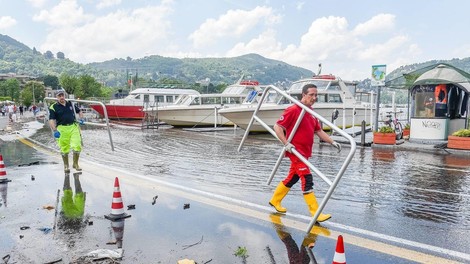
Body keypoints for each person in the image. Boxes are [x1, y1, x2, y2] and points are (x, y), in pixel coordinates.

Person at [269, 83, 342, 222]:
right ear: (303, 95)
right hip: (296, 152)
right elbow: (277, 126)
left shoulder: (311, 112)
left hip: (305, 152)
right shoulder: (294, 109)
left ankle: (275, 200)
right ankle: (316, 213)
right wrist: (286, 144)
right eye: (311, 95)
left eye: (316, 95)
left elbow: (318, 131)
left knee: (293, 177)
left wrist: (332, 142)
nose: (314, 97)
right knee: (307, 179)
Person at [48, 90, 85, 173]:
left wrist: (82, 118)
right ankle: (66, 166)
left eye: (62, 95)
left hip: (73, 126)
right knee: (64, 147)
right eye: (59, 96)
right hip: (62, 128)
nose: (61, 97)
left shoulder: (70, 104)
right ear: (56, 97)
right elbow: (51, 120)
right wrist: (54, 130)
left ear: (64, 96)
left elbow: (79, 111)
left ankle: (75, 164)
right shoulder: (53, 107)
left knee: (77, 145)